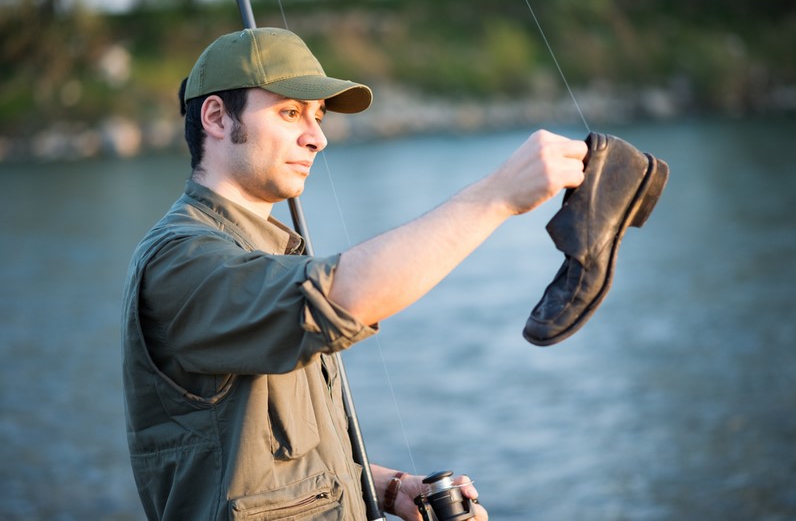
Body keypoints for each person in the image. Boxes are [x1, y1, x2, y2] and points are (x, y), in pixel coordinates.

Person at [122, 27, 586, 521]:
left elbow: (255, 455)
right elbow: (340, 300)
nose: (317, 137)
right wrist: (496, 196)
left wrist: (385, 488)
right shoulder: (183, 260)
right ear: (216, 117)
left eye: (317, 117)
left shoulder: (258, 251)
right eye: (289, 112)